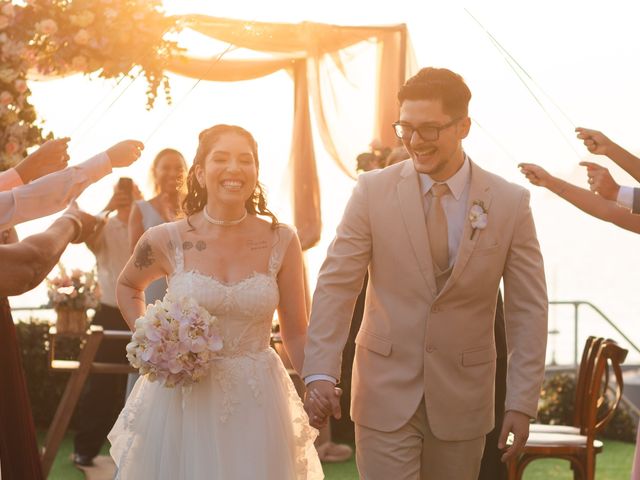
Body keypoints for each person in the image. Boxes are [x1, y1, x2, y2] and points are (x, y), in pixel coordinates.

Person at [303, 67, 548, 479]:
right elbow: (336, 284)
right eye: (406, 128)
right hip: (384, 393)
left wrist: (521, 402)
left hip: (464, 400)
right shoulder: (371, 191)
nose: (416, 141)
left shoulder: (510, 203)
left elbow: (528, 309)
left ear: (464, 126)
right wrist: (321, 371)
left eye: (430, 129)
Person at [109, 125, 322, 479]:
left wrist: (315, 382)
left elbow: (296, 332)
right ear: (200, 172)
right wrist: (152, 337)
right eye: (221, 158)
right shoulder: (166, 238)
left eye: (246, 160)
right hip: (184, 401)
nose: (234, 169)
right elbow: (128, 285)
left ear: (256, 170)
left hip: (258, 399)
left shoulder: (282, 240)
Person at [0, 140, 143, 480]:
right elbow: (24, 210)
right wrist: (103, 163)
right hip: (110, 307)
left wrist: (21, 173)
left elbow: (15, 198)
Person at [72, 180, 142, 467]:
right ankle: (85, 449)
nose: (125, 197)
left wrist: (139, 208)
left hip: (141, 311)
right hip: (109, 312)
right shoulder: (105, 225)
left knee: (142, 383)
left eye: (131, 192)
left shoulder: (147, 223)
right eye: (120, 192)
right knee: (100, 384)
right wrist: (109, 206)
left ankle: (137, 452)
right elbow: (85, 236)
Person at [125, 148, 187, 395]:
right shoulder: (141, 208)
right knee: (152, 349)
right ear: (156, 171)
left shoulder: (195, 208)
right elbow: (135, 257)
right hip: (153, 291)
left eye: (178, 167)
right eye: (166, 167)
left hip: (185, 290)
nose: (172, 172)